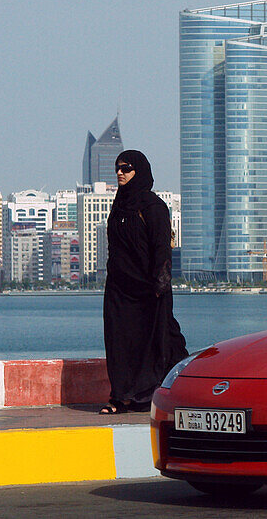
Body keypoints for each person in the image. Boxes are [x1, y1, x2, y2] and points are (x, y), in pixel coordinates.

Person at [100, 150, 188, 414]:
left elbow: (162, 248)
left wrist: (160, 284)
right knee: (119, 343)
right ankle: (120, 397)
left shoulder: (153, 206)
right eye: (117, 168)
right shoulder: (118, 205)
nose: (120, 173)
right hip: (119, 289)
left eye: (126, 168)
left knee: (160, 339)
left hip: (149, 289)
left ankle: (169, 391)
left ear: (139, 171)